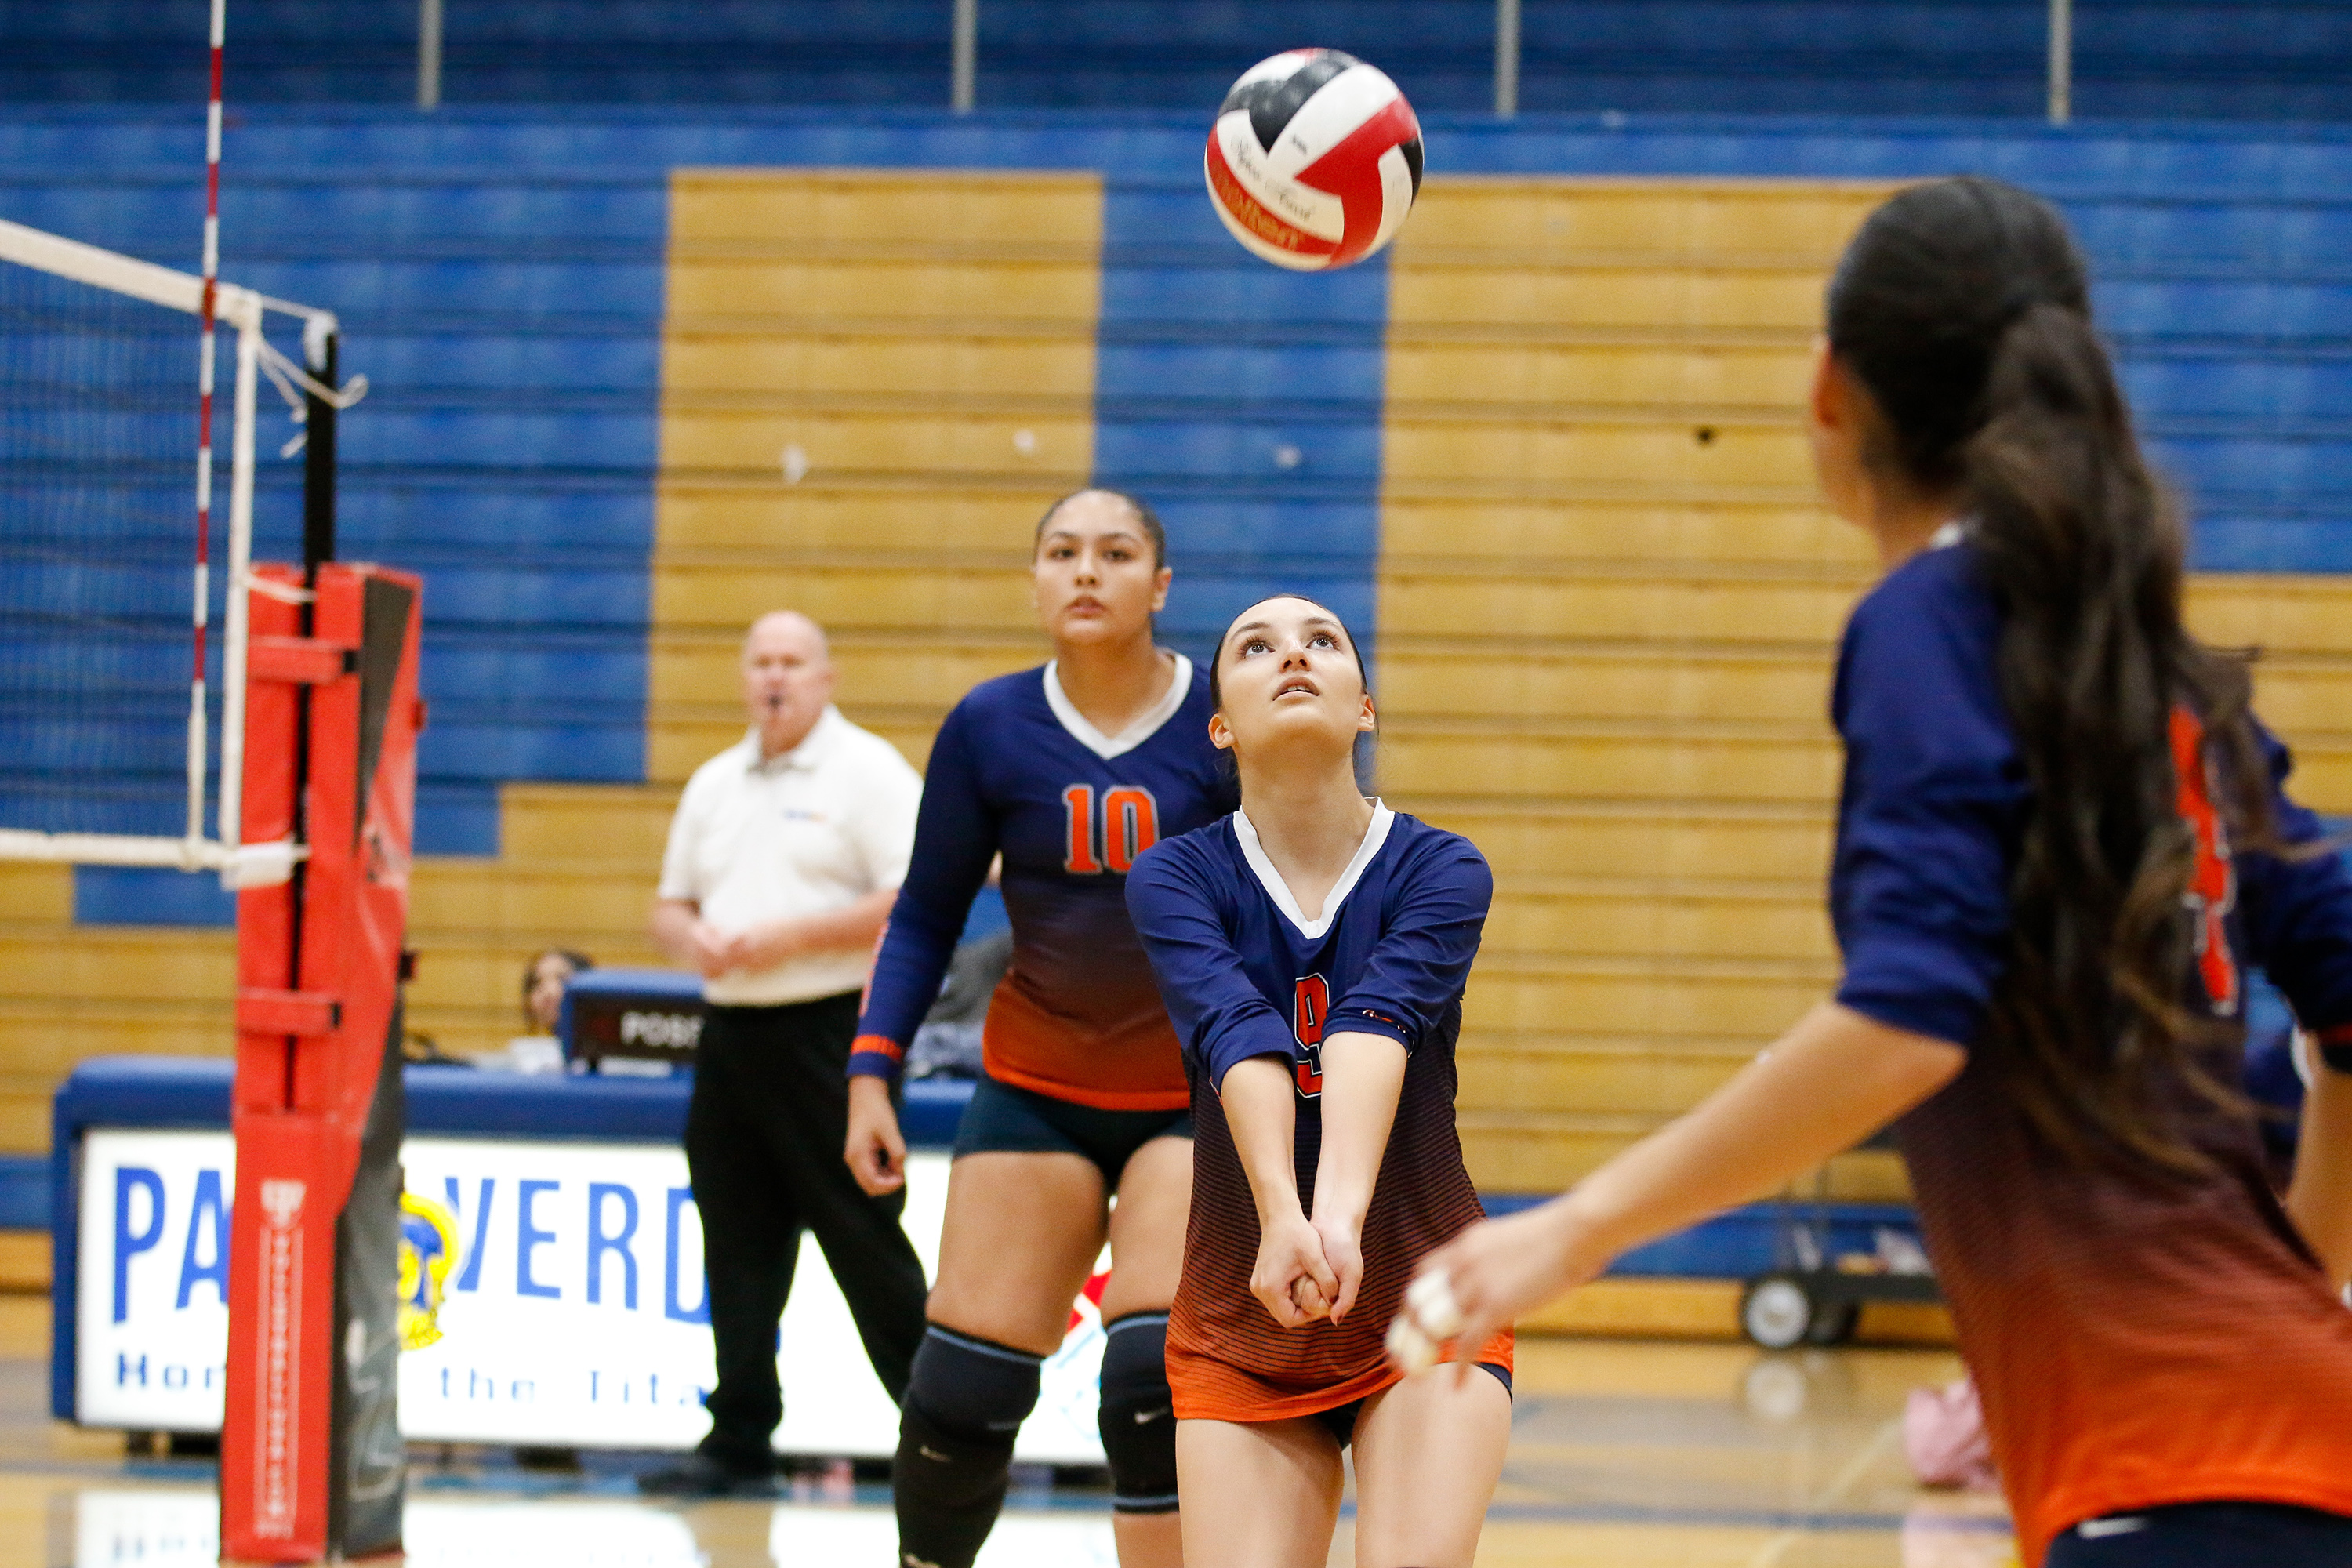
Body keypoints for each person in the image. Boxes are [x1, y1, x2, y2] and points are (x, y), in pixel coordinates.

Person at [1392, 177, 2352, 1568]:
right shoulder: (2142, 660)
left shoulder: (1931, 624)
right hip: (2289, 1446)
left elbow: (1909, 1017)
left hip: (2171, 1487)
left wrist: (1577, 1230)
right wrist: (2309, 1276)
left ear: (1832, 388)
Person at [844, 488, 1236, 1568]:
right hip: (1036, 1086)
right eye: (1062, 552)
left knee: (1151, 1383)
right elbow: (926, 914)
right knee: (960, 1394)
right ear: (1035, 579)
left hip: (1194, 1096)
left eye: (1115, 554)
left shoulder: (1223, 720)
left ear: (1159, 587)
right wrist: (871, 1071)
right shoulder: (988, 725)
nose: (1085, 573)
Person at [1124, 593, 1512, 1568]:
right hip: (1239, 1307)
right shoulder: (1174, 876)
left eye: (1321, 643)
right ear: (1221, 724)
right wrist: (1280, 1218)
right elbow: (1237, 1037)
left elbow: (1367, 1027)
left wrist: (1332, 1220)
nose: (1292, 657)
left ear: (1365, 706)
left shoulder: (1442, 867)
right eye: (1257, 648)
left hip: (1425, 1293)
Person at [641, 609, 931, 1497]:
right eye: (761, 660)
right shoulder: (716, 781)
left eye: (792, 661)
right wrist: (699, 941)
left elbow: (916, 893)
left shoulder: (867, 770)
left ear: (825, 675)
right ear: (744, 675)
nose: (776, 676)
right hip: (729, 1034)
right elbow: (668, 904)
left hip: (834, 1033)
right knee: (735, 1239)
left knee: (862, 1236)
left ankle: (939, 1429)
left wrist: (789, 937)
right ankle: (738, 1434)